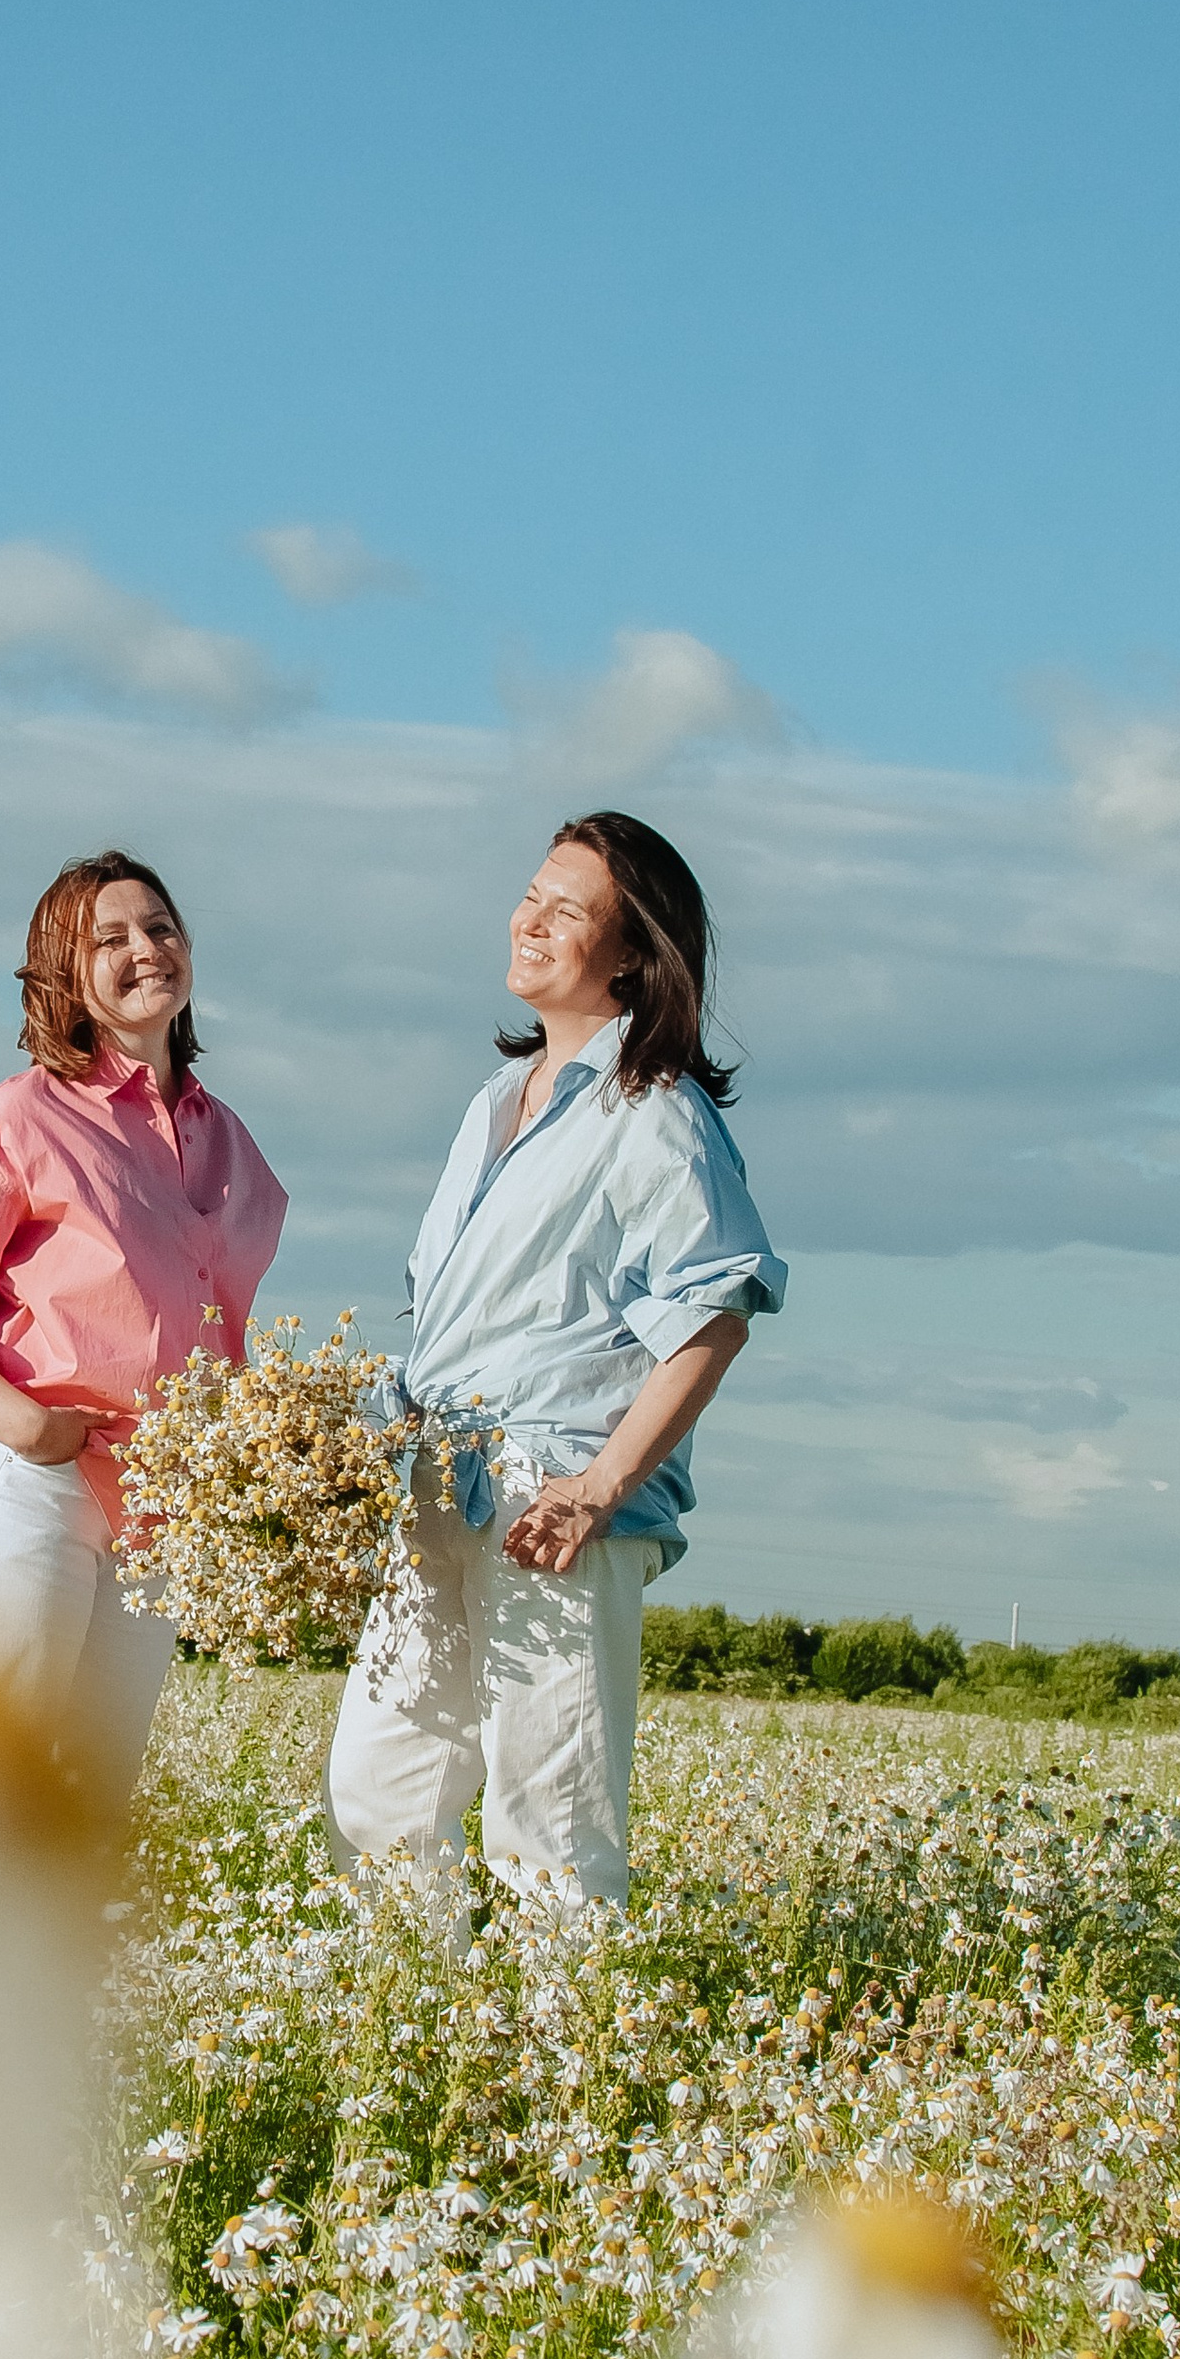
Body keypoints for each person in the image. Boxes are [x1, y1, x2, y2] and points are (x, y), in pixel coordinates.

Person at [326, 810, 783, 1919]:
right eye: (532, 893)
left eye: (567, 910)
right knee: (377, 1793)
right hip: (438, 1478)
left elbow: (714, 1312)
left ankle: (561, 2076)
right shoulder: (496, 1099)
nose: (530, 920)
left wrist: (597, 1489)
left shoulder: (654, 1110)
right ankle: (414, 2046)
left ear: (631, 954)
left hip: (552, 1496)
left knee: (551, 1821)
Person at [0, 852, 287, 1810]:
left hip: (158, 1512)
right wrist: (27, 1428)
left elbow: (219, 1335)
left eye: (161, 927)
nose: (146, 949)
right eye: (111, 939)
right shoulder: (20, 1116)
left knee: (88, 1803)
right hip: (30, 1480)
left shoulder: (232, 1142)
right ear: (65, 974)